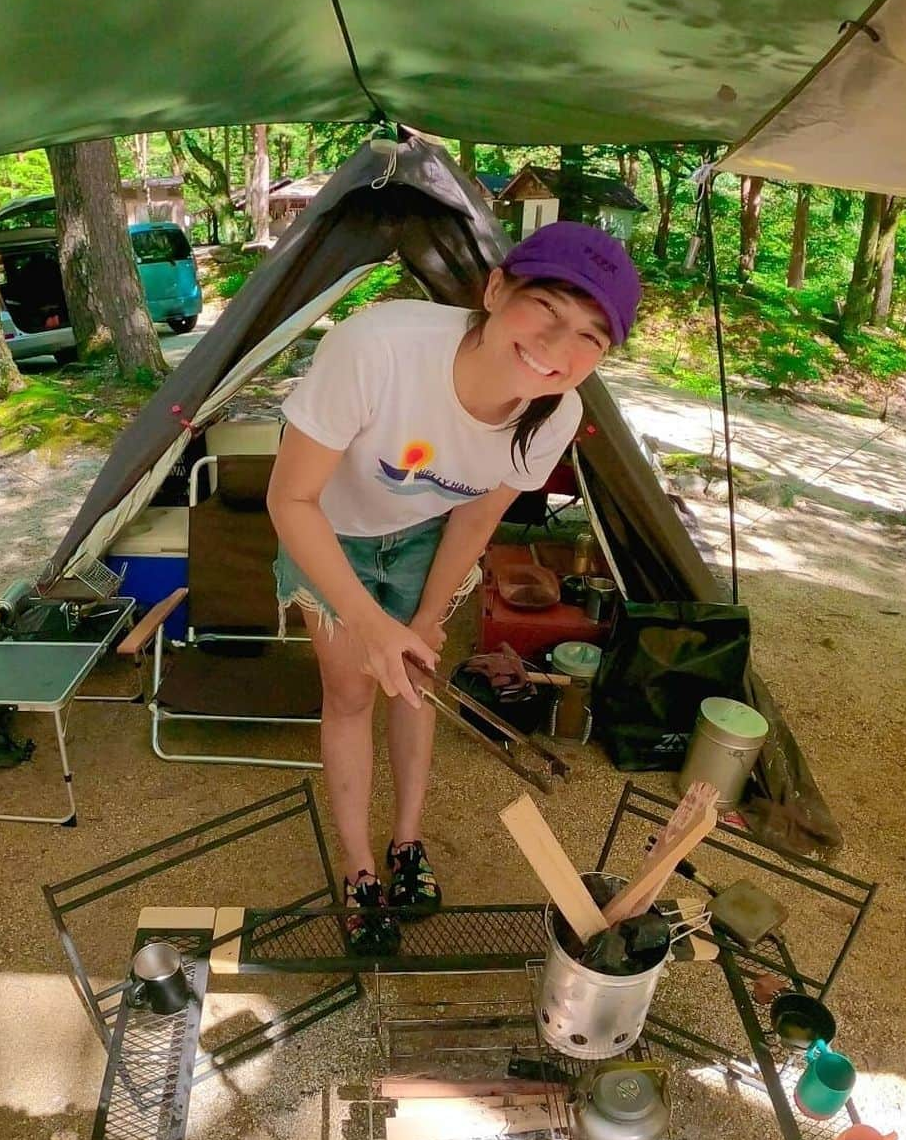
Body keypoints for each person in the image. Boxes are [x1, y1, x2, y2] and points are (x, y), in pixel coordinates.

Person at [266, 221, 641, 954]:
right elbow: (290, 502)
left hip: (425, 539)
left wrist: (429, 620)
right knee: (351, 694)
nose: (559, 351)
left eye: (591, 337)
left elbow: (474, 520)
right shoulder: (375, 349)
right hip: (329, 530)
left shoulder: (555, 414)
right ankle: (360, 871)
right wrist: (372, 625)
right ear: (497, 289)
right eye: (549, 313)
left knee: (416, 683)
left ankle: (407, 842)